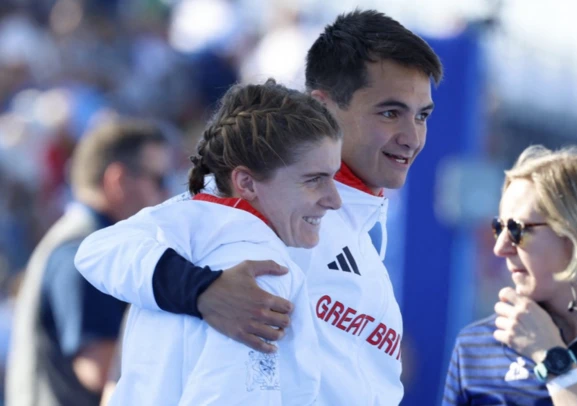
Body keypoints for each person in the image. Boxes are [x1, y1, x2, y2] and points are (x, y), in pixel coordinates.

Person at [75, 9, 443, 405]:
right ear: (323, 107)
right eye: (390, 113)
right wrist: (202, 290)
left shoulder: (349, 231)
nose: (412, 137)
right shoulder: (258, 205)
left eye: (422, 116)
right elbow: (105, 250)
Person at [107, 79, 342, 405]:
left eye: (333, 177)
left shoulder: (166, 242)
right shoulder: (260, 275)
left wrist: (200, 289)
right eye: (314, 180)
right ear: (246, 182)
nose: (334, 200)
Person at [443, 145, 577, 406]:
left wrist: (552, 360)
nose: (500, 248)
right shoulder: (476, 348)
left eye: (517, 229)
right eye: (497, 227)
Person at [6, 119, 173, 406]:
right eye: (158, 179)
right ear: (118, 180)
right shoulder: (85, 255)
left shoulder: (79, 242)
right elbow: (100, 369)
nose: (167, 193)